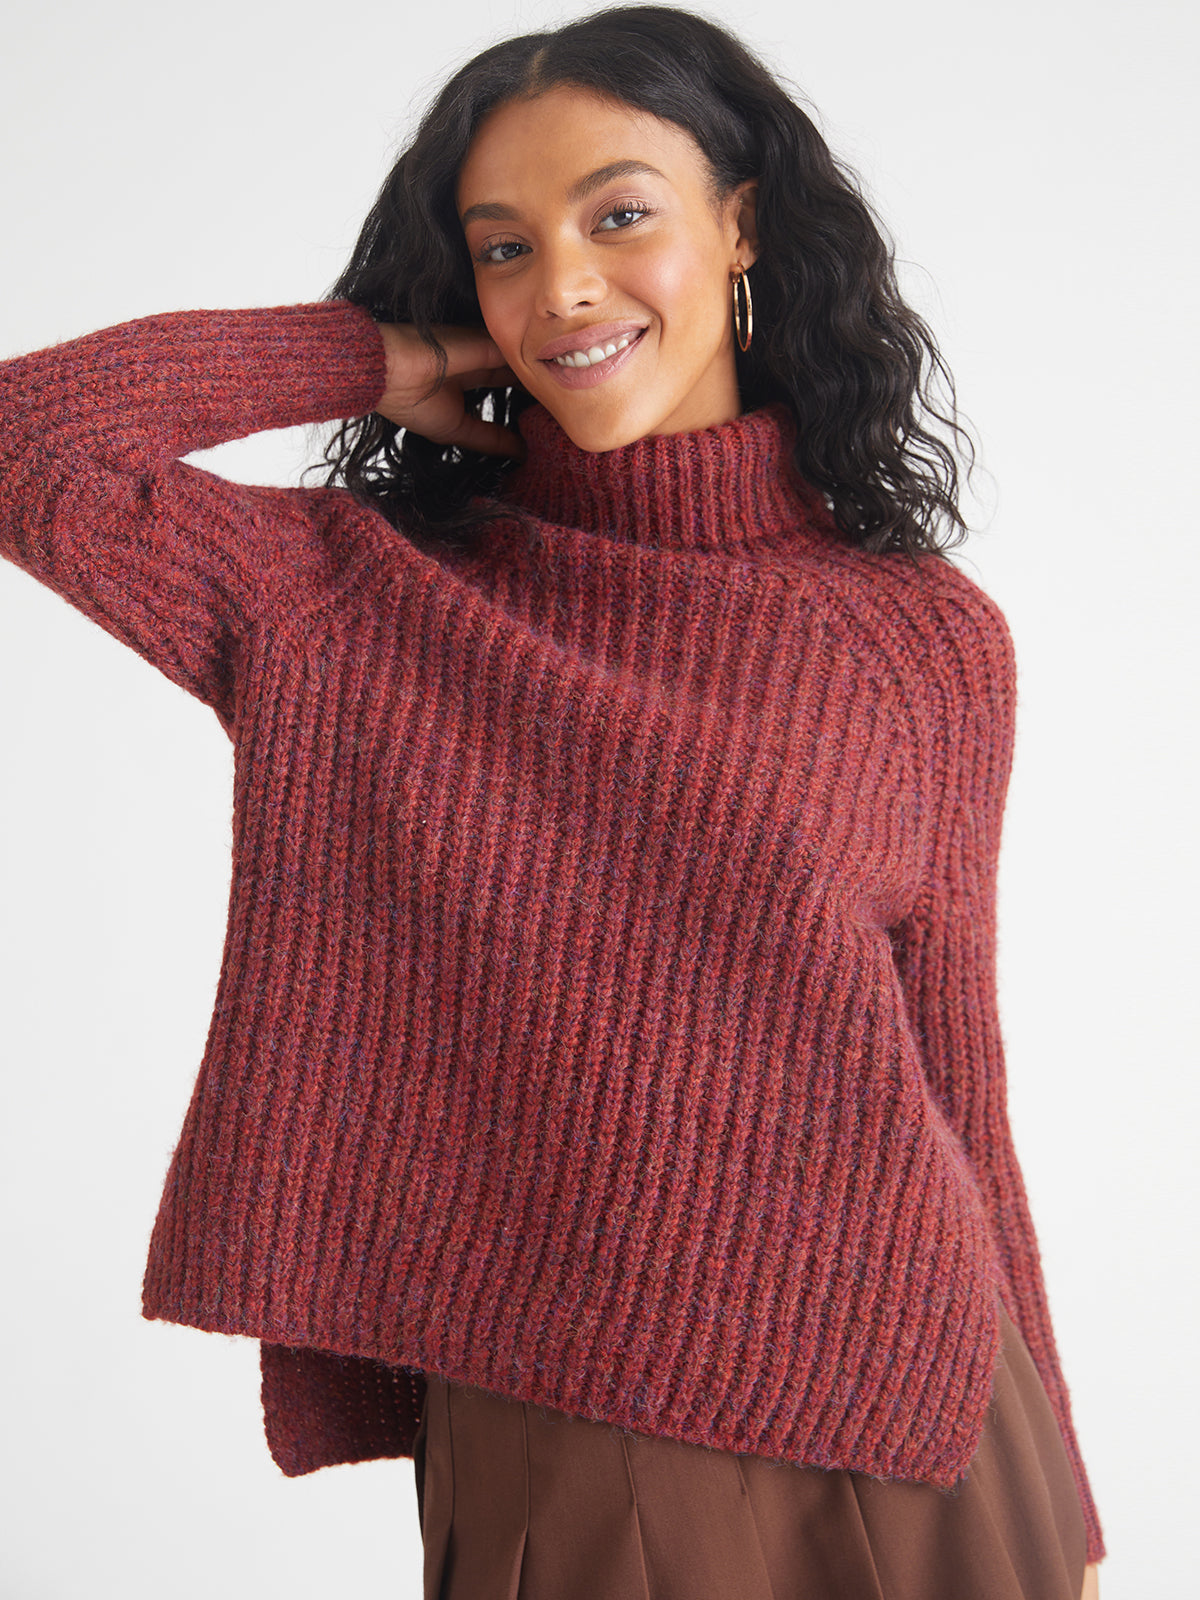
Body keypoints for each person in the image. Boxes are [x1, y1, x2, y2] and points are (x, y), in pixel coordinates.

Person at [0, 4, 1105, 1595]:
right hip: (574, 1417)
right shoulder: (351, 605)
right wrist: (377, 352)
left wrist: (1068, 1503)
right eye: (504, 250)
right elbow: (30, 441)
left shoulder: (922, 637)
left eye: (619, 215)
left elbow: (956, 1077)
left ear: (742, 224)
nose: (564, 287)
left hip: (922, 1406)